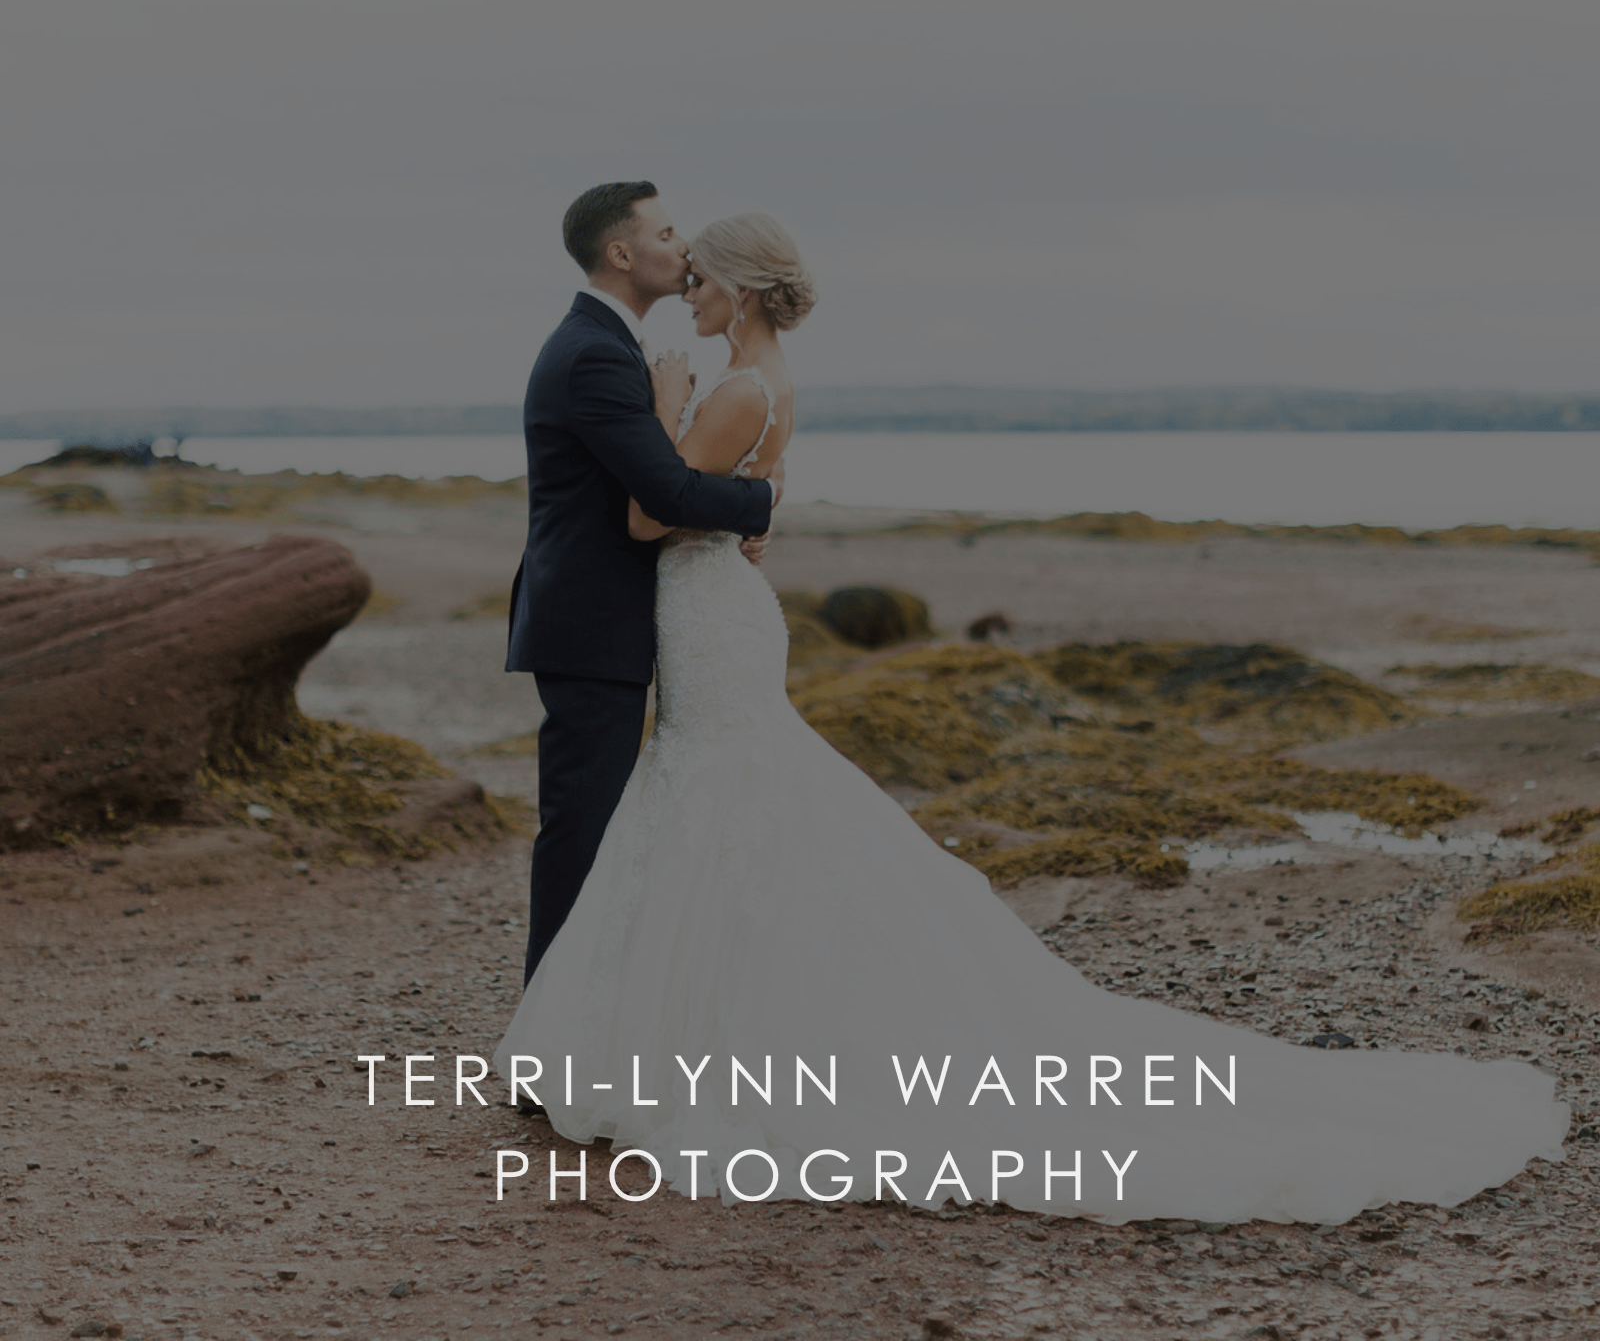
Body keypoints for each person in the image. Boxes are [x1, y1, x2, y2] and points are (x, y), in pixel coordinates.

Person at [497, 212, 1567, 1222]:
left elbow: (651, 507)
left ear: (738, 286)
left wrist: (665, 409)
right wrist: (729, 484)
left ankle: (700, 1039)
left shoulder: (730, 385)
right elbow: (726, 498)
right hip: (715, 606)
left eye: (698, 281)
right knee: (723, 802)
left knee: (719, 797)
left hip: (709, 611)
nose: (687, 293)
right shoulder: (764, 380)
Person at [506, 182, 779, 986]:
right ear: (621, 253)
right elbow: (663, 494)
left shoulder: (604, 342)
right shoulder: (594, 351)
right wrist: (761, 499)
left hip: (596, 623)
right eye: (665, 232)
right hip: (590, 629)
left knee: (598, 833)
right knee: (581, 835)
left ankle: (571, 1036)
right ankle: (547, 1053)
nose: (684, 246)